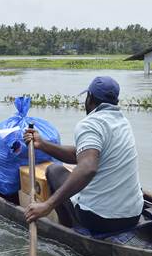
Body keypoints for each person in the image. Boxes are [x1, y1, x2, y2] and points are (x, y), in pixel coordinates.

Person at [23, 76, 144, 235]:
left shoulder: (90, 124)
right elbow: (81, 155)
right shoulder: (122, 122)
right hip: (133, 214)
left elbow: (88, 168)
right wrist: (43, 144)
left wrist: (48, 205)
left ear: (90, 98)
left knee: (54, 171)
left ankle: (67, 229)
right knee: (70, 173)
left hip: (100, 219)